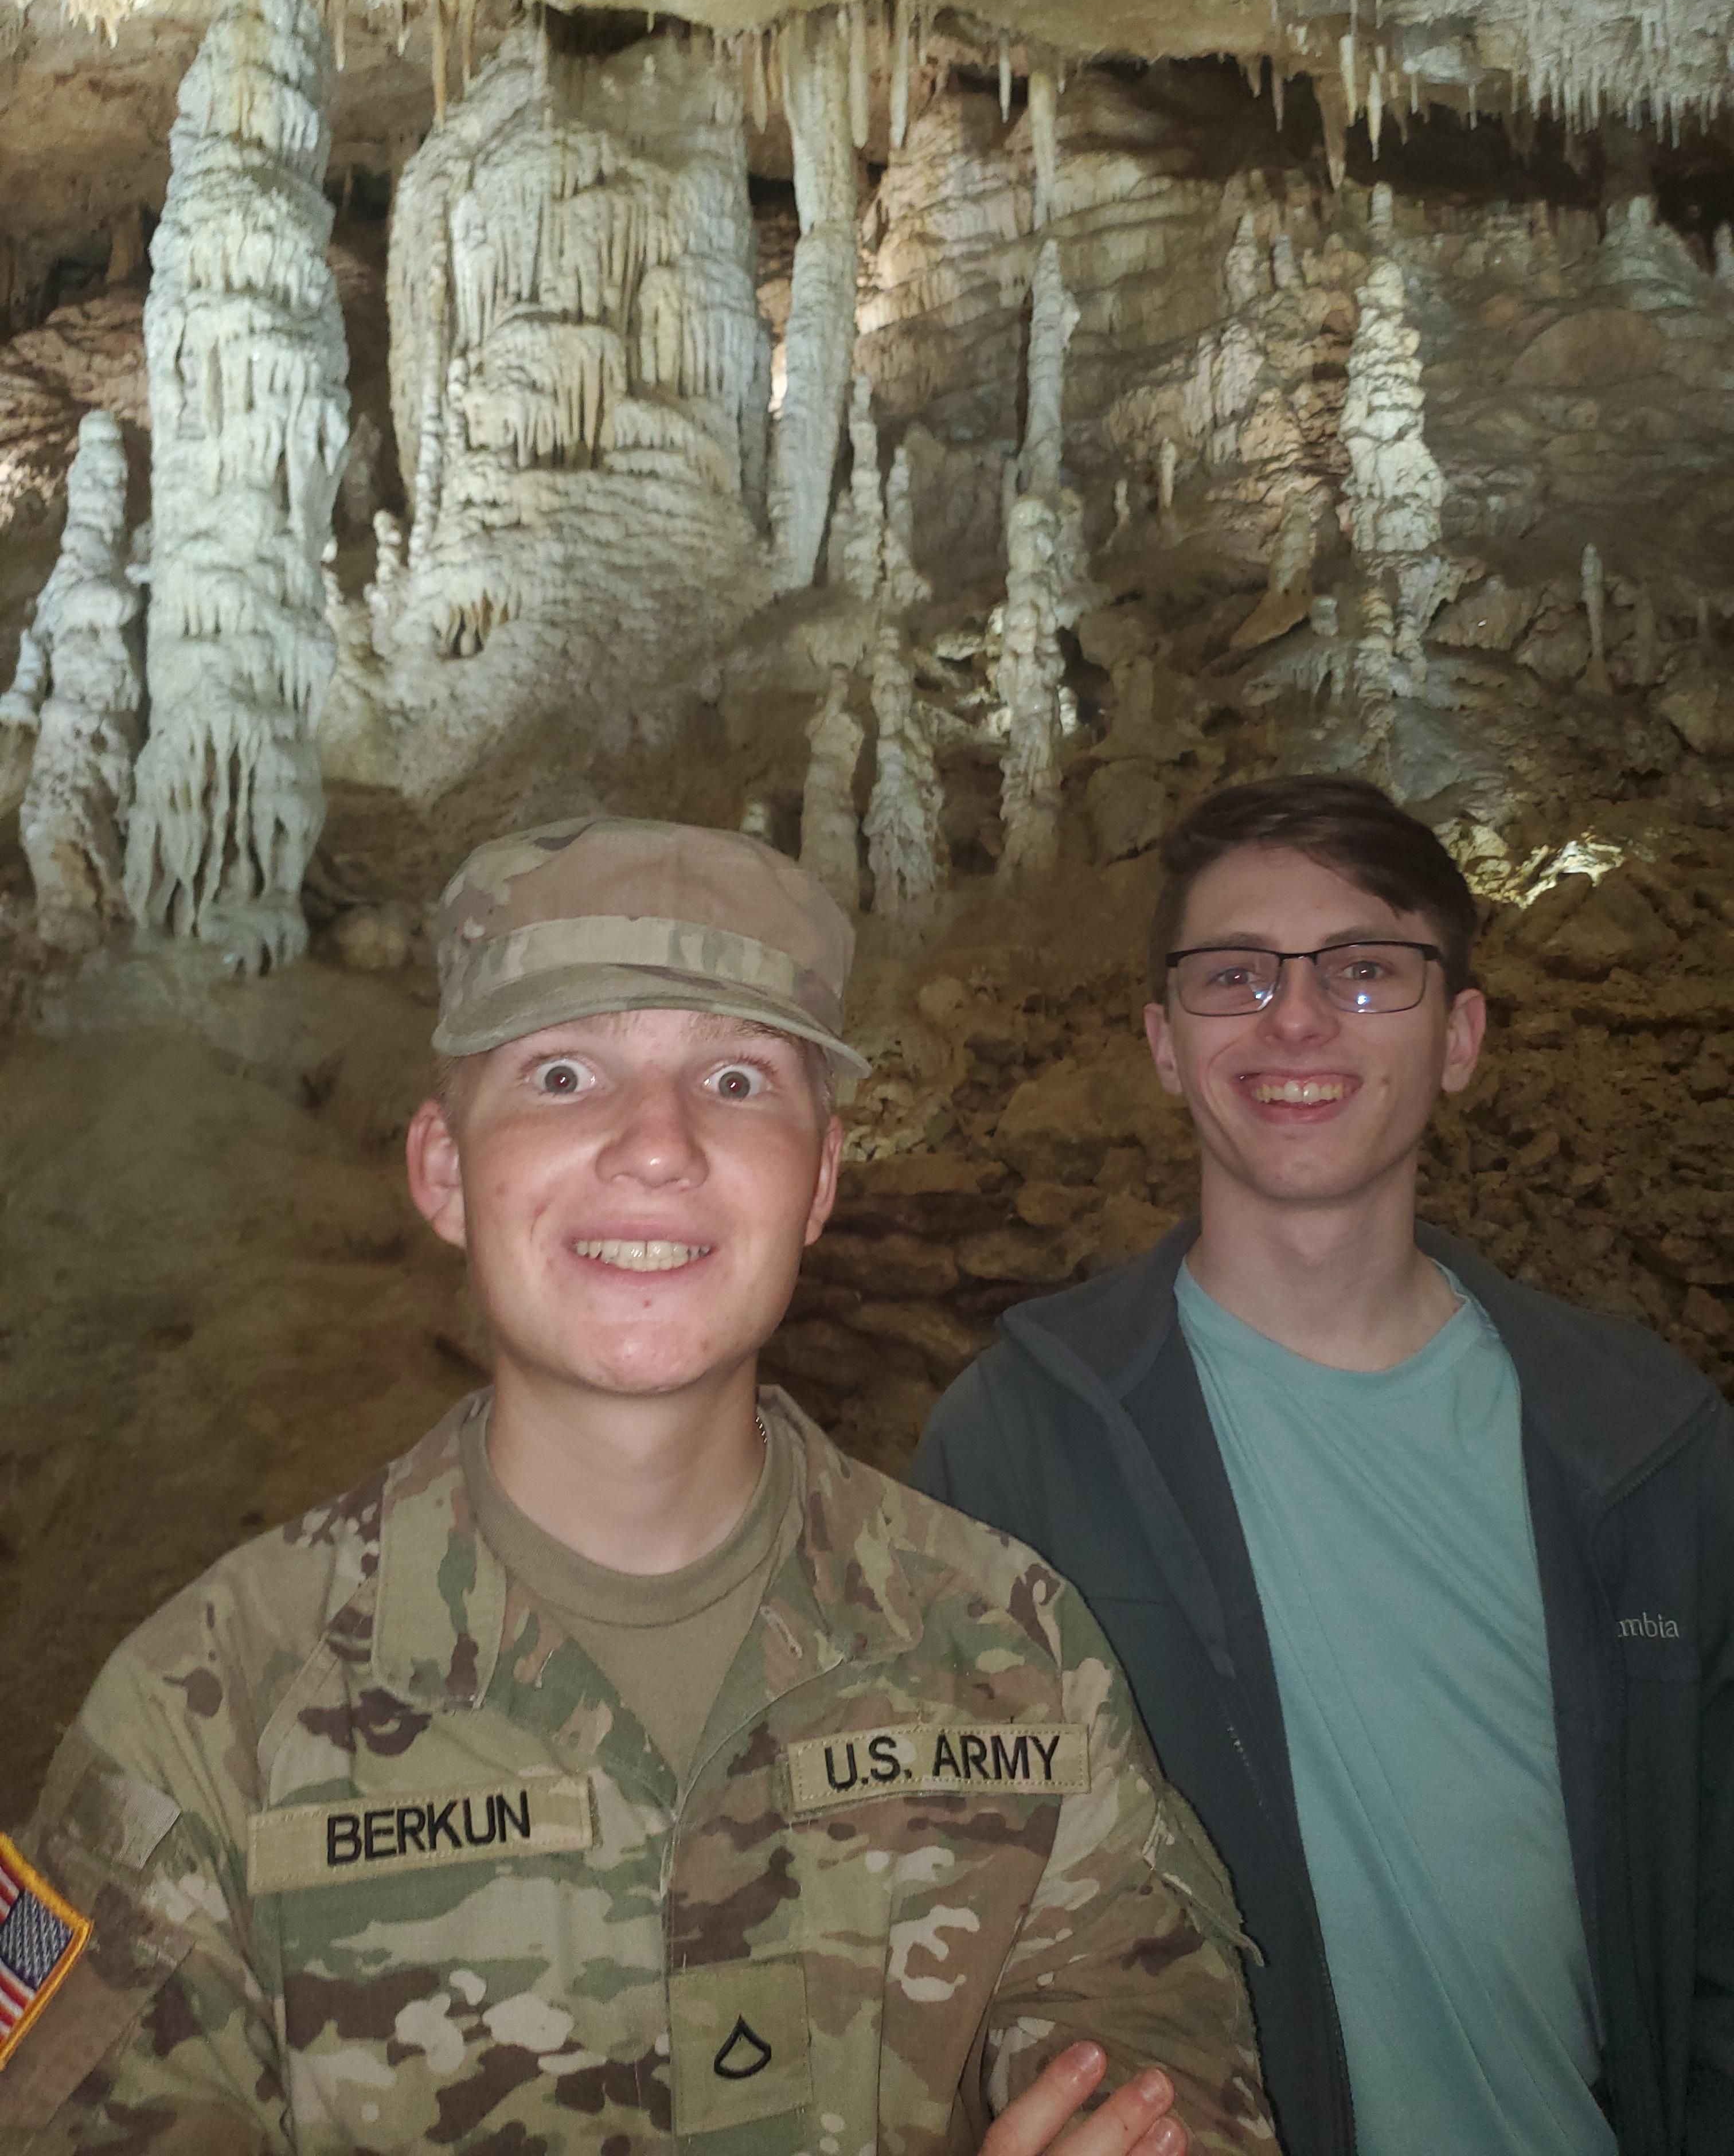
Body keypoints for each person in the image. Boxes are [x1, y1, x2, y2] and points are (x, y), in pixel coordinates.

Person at [0, 816, 1273, 2156]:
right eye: (563, 1075)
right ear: (444, 1168)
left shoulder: (1012, 1645)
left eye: (735, 1081)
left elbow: (1155, 2048)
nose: (656, 1145)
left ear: (823, 1177)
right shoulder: (202, 1718)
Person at [912, 775, 1734, 2156]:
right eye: (1235, 976)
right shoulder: (1015, 1444)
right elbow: (937, 1908)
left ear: (1461, 1037)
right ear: (1165, 1044)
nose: (1295, 1016)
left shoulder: (1647, 1449)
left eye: (1365, 972)